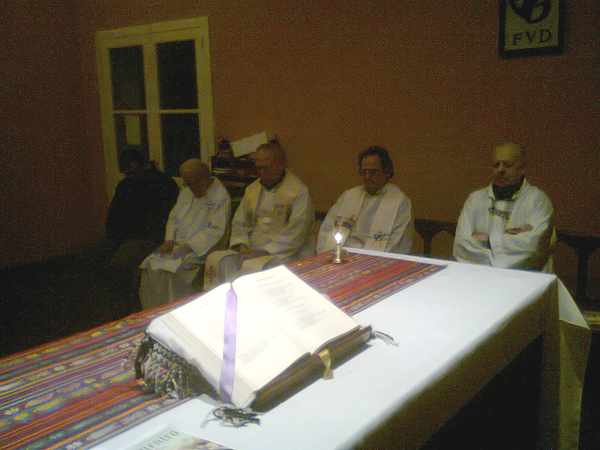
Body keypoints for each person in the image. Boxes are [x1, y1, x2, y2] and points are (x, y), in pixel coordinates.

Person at [204, 141, 314, 288]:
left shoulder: (298, 192)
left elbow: (296, 233)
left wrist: (264, 251)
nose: (260, 173)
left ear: (280, 165)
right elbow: (239, 223)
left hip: (284, 253)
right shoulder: (252, 189)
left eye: (265, 167)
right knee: (218, 260)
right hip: (251, 248)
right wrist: (241, 244)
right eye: (258, 167)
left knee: (253, 270)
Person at [139, 160, 231, 309]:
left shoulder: (220, 197)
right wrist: (169, 239)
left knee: (172, 271)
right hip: (177, 245)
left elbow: (215, 231)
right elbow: (174, 217)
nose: (187, 187)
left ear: (203, 179)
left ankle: (175, 311)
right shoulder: (187, 191)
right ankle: (152, 312)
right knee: (150, 264)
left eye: (190, 183)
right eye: (186, 182)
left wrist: (189, 246)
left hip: (201, 250)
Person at [453, 142, 555, 271]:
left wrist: (489, 241)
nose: (500, 170)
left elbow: (533, 247)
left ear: (522, 168)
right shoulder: (475, 199)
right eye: (496, 165)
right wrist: (511, 241)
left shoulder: (538, 200)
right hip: (480, 274)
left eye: (507, 165)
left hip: (525, 276)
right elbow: (461, 246)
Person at [104, 148, 179, 314]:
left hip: (152, 238)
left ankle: (133, 309)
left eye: (129, 171)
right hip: (136, 238)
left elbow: (170, 218)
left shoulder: (160, 184)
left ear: (136, 165)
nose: (127, 175)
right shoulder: (131, 185)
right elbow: (114, 218)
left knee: (122, 266)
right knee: (120, 266)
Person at [317, 146, 413, 254]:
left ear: (386, 171)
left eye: (373, 172)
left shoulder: (399, 202)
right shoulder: (349, 196)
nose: (367, 176)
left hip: (373, 260)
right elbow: (327, 230)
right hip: (341, 256)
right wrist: (327, 255)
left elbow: (397, 245)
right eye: (364, 172)